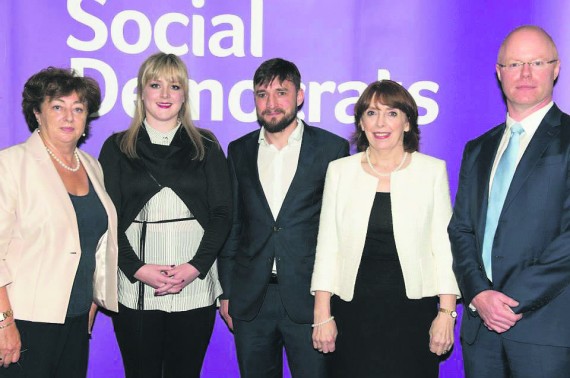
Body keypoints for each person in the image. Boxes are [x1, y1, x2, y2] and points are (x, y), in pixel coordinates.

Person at [310, 80, 460, 377]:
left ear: (407, 123)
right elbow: (328, 246)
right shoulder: (340, 171)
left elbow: (443, 249)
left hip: (413, 311)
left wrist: (446, 314)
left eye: (391, 113)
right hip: (353, 310)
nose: (380, 123)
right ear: (361, 123)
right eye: (371, 113)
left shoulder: (431, 171)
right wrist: (321, 314)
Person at [99, 53, 232, 378]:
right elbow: (107, 219)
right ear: (141, 92)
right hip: (135, 288)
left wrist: (194, 267)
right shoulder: (116, 147)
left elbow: (223, 213)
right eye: (155, 85)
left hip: (195, 286)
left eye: (174, 86)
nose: (164, 94)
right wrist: (137, 269)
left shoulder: (206, 145)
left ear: (184, 95)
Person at [448, 25, 570, 378]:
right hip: (480, 330)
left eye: (536, 62)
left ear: (556, 68)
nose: (526, 74)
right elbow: (461, 230)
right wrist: (479, 295)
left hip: (546, 330)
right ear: (499, 73)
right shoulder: (478, 149)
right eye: (515, 64)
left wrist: (509, 300)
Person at [218, 58, 349, 378]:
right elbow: (233, 224)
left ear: (299, 96)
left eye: (281, 92)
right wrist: (227, 291)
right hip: (252, 300)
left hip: (311, 299)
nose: (271, 103)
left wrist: (330, 300)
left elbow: (341, 231)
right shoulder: (239, 150)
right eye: (262, 94)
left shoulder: (331, 148)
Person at [0, 67, 118, 377]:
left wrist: (94, 299)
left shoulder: (92, 166)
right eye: (57, 106)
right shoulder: (11, 164)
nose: (69, 116)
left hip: (76, 319)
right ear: (37, 113)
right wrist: (4, 321)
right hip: (24, 320)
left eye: (78, 108)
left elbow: (94, 243)